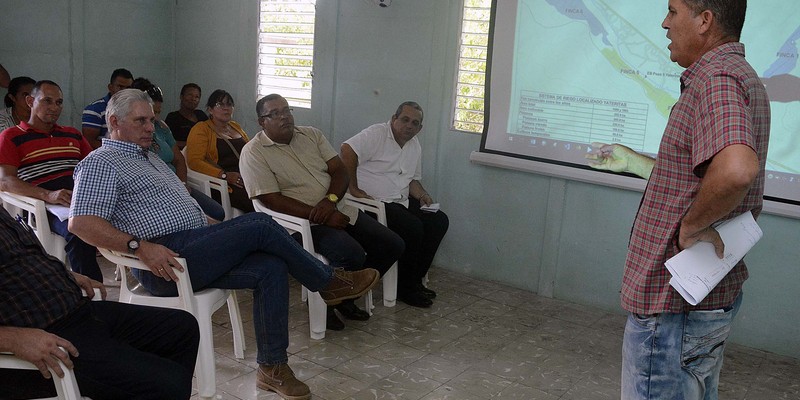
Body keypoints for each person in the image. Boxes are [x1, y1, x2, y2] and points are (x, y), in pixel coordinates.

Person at [68, 88, 380, 399]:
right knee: (259, 222)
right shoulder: (101, 162)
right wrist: (138, 246)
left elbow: (179, 209)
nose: (151, 127)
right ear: (113, 121)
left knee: (270, 267)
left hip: (193, 247)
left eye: (151, 119)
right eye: (140, 121)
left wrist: (222, 232)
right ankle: (328, 282)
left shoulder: (148, 157)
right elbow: (81, 223)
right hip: (164, 263)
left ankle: (272, 368)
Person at [584, 1, 770, 398]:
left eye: (673, 11)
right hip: (697, 303)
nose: (664, 23)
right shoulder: (739, 76)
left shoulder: (716, 78)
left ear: (705, 21)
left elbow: (737, 169)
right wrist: (637, 163)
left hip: (672, 309)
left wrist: (692, 226)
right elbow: (700, 177)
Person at [240, 94, 404, 330]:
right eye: (275, 113)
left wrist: (331, 201)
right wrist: (323, 215)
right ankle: (326, 307)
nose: (284, 116)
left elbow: (340, 171)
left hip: (337, 207)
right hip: (300, 223)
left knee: (393, 244)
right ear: (261, 122)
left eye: (287, 110)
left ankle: (345, 297)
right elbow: (271, 199)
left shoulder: (311, 134)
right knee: (352, 254)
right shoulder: (254, 152)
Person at [0, 206, 201, 399]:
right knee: (168, 385)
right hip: (43, 337)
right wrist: (13, 338)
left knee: (181, 327)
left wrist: (63, 274)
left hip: (75, 312)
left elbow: (17, 259)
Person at [341, 101, 449, 308]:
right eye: (405, 120)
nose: (409, 126)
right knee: (413, 227)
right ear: (394, 119)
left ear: (420, 128)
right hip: (373, 203)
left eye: (415, 123)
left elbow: (410, 180)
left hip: (400, 200)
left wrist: (423, 195)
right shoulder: (377, 134)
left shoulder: (414, 145)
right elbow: (347, 150)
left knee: (438, 221)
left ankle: (414, 280)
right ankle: (405, 289)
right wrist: (353, 188)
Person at [0, 80, 103, 281]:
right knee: (80, 232)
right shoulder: (11, 137)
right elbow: (5, 182)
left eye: (59, 102)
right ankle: (93, 291)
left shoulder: (72, 134)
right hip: (46, 207)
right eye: (47, 101)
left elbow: (94, 168)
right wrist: (49, 195)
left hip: (81, 199)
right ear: (30, 101)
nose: (54, 108)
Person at [130, 77, 225, 221]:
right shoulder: (131, 135)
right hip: (156, 192)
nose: (153, 119)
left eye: (157, 112)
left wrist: (182, 184)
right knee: (195, 220)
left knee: (218, 212)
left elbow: (179, 159)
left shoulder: (162, 127)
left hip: (176, 184)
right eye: (147, 115)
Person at [185, 89, 254, 212]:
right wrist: (224, 175)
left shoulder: (235, 127)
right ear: (210, 110)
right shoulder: (201, 129)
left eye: (229, 104)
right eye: (220, 104)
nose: (226, 108)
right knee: (257, 201)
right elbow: (195, 161)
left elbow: (250, 152)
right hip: (224, 183)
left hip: (248, 177)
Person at [82, 68, 133, 148]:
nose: (124, 92)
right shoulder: (95, 109)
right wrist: (115, 152)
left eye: (128, 88)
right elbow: (88, 141)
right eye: (120, 87)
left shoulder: (135, 109)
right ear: (110, 87)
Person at [164, 82, 208, 149]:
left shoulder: (201, 115)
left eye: (197, 96)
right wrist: (192, 144)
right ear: (181, 96)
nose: (193, 99)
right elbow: (166, 141)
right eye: (190, 95)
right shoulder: (173, 117)